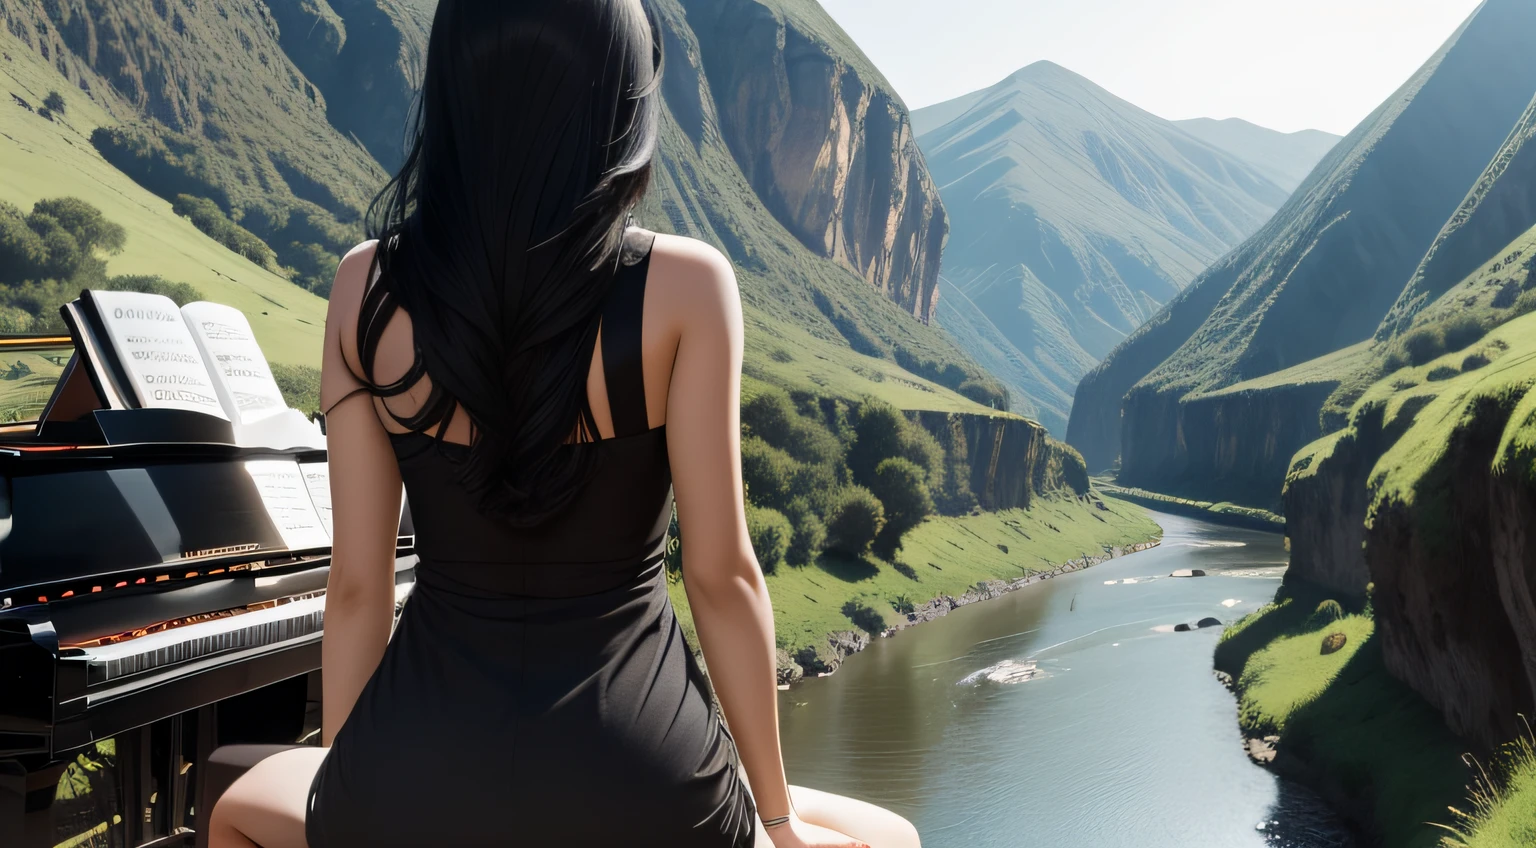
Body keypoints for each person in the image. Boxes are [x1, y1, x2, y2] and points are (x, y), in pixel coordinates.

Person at [207, 1, 922, 846]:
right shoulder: (689, 288)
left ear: (453, 93)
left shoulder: (363, 288)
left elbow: (358, 589)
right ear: (618, 104)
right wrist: (776, 817)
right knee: (887, 835)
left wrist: (356, 792)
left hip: (419, 766)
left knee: (235, 812)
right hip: (643, 782)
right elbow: (723, 577)